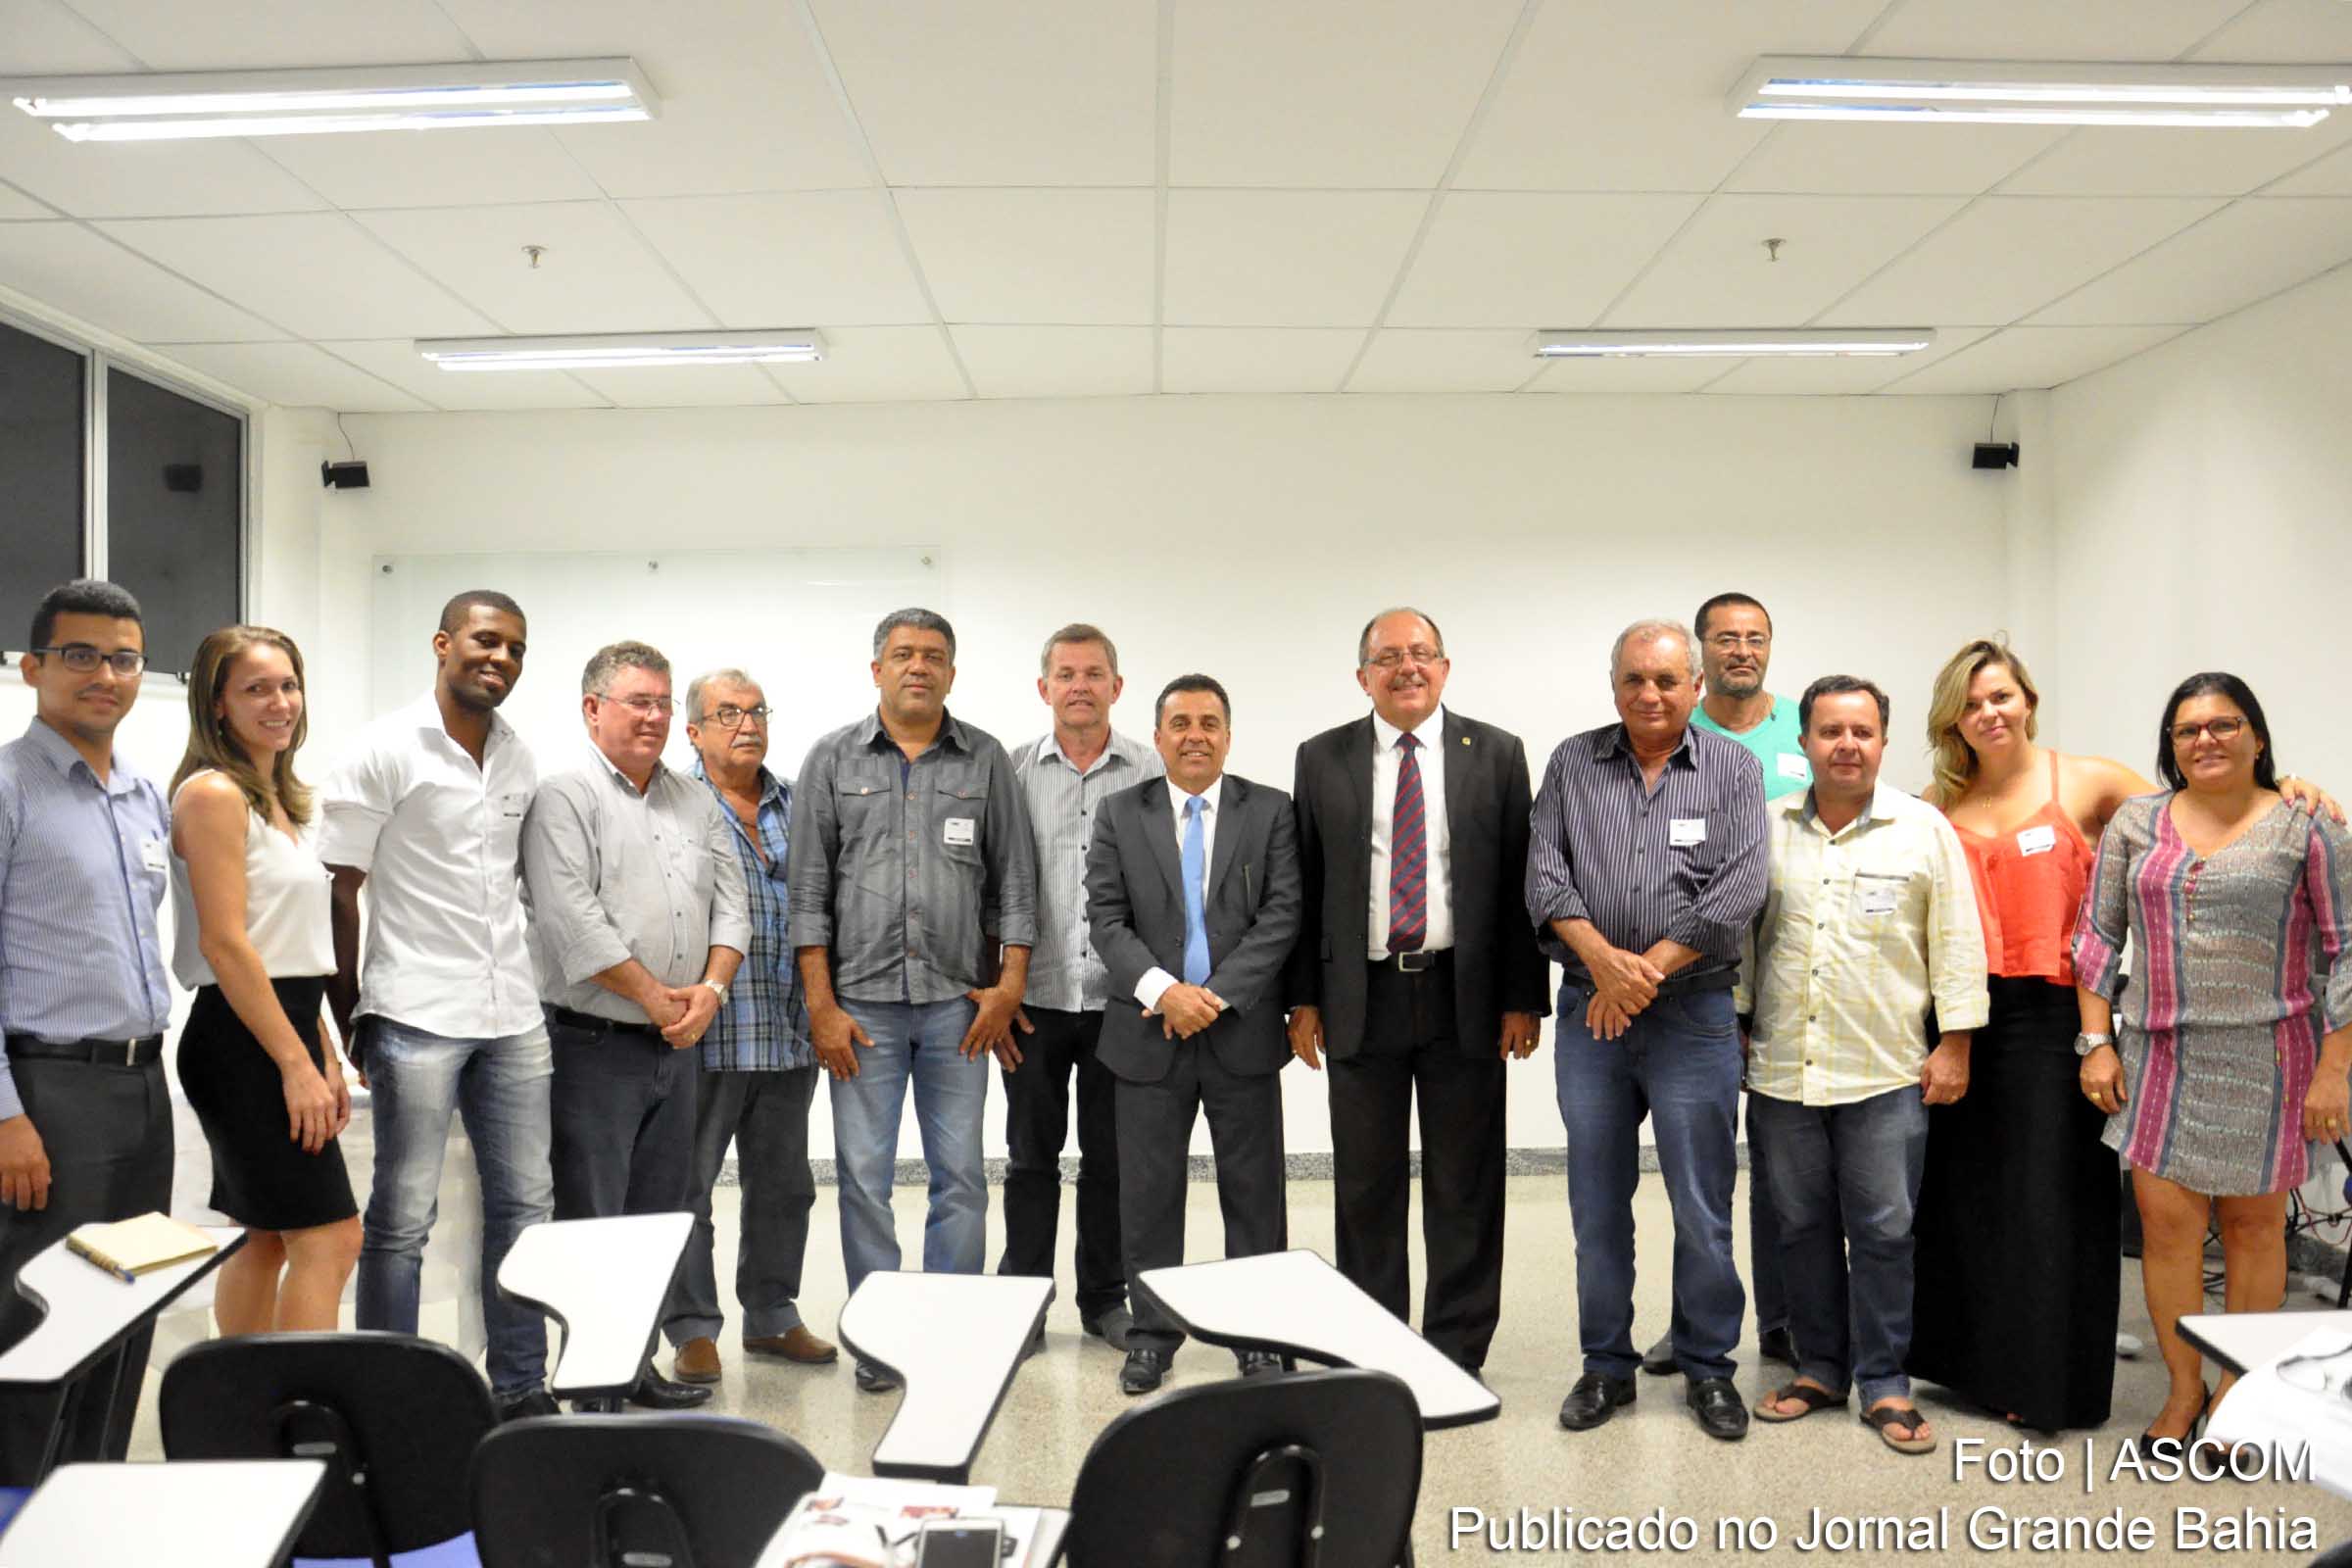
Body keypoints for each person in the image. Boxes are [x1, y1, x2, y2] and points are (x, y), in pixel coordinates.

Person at [1905, 639, 2337, 1434]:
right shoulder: (1938, 796)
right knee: (1967, 1205)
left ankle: (2051, 1381)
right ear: (1952, 720)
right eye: (1970, 704)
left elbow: (2200, 814)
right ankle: (1974, 1368)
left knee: (2050, 1207)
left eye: (2001, 696)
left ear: (2028, 698)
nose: (1988, 713)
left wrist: (2291, 788)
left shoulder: (2091, 780)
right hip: (1965, 1018)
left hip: (2057, 1018)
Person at [2076, 672, 2352, 1453]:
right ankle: (2181, 1392)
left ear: (2257, 736)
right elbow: (2097, 938)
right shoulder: (2139, 822)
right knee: (2166, 1231)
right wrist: (2095, 1042)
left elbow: (2348, 947)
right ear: (2170, 746)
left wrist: (2335, 1071)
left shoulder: (2307, 826)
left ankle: (2237, 1392)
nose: (2206, 739)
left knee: (2255, 1229)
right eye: (2188, 729)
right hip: (2158, 1053)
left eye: (2225, 724)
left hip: (2272, 1058)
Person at [1286, 608, 1545, 1376]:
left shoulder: (1496, 753)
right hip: (1359, 996)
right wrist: (1301, 999)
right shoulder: (1321, 756)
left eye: (1422, 653)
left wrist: (1522, 997)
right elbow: (1306, 883)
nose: (1407, 668)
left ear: (1445, 666)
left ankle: (1457, 1348)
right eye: (1389, 656)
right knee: (1365, 1185)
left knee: (1465, 1181)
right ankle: (1373, 1343)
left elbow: (1516, 883)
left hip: (1461, 992)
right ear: (1362, 674)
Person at [1526, 618, 1766, 1443]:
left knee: (1703, 1201)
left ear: (1696, 687)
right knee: (1597, 1200)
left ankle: (1708, 1368)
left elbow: (1738, 888)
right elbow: (1544, 874)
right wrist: (1603, 965)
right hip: (1591, 1015)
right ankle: (1605, 1366)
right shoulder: (1571, 762)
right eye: (1635, 679)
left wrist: (1639, 977)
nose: (1651, 694)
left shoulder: (1732, 768)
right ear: (1614, 686)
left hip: (1693, 1014)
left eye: (1667, 680)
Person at [323, 590, 558, 1422]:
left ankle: (521, 1386)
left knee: (526, 1208)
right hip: (416, 1011)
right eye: (486, 641)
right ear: (443, 643)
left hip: (513, 1018)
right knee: (402, 1217)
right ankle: (392, 1397)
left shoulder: (520, 755)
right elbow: (339, 890)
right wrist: (352, 1011)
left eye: (516, 649)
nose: (500, 659)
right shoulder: (385, 747)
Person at [787, 609, 1035, 1395]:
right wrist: (821, 1006)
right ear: (877, 670)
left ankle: (951, 1330)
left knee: (959, 1172)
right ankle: (881, 1336)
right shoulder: (831, 759)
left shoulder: (986, 759)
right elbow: (808, 895)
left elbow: (1016, 888)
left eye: (933, 656)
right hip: (861, 1010)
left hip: (958, 1007)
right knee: (862, 1175)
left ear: (952, 674)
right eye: (903, 655)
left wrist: (1008, 989)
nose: (917, 667)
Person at [1740, 676, 1987, 1457]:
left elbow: (1957, 941)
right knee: (1801, 1225)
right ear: (1804, 742)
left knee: (1884, 1229)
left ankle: (1884, 1380)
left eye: (1862, 731)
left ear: (1883, 741)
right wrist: (1736, 1026)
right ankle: (1820, 1367)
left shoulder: (1923, 829)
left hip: (1885, 1068)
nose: (1846, 744)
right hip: (1785, 1068)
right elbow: (1742, 937)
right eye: (1829, 731)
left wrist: (1956, 1043)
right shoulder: (1765, 827)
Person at [521, 640, 747, 1410]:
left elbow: (732, 902)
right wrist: (657, 998)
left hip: (679, 1045)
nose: (654, 716)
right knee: (595, 1223)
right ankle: (592, 1384)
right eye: (637, 702)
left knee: (659, 1220)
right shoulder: (565, 797)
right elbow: (569, 921)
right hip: (594, 1048)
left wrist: (710, 990)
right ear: (593, 709)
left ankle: (635, 1368)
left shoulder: (693, 799)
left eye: (662, 701)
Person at [0, 581, 173, 1482]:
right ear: (32, 668)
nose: (103, 674)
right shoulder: (8, 786)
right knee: (41, 1315)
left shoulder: (143, 795)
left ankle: (90, 1501)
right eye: (80, 656)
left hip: (144, 1088)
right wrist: (4, 1118)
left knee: (125, 1301)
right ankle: (17, 1515)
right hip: (47, 1094)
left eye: (123, 658)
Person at [1087, 674, 1302, 1395]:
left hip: (1238, 1031)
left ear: (1228, 735)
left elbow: (1281, 914)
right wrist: (1165, 992)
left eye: (1210, 722)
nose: (1195, 735)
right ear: (1157, 736)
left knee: (1255, 1194)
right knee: (1148, 1197)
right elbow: (1107, 921)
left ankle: (1259, 1337)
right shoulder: (1120, 813)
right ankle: (1152, 1335)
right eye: (1180, 723)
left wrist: (1212, 997)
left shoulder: (1269, 810)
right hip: (1148, 1034)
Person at [169, 626, 359, 1335]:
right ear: (216, 705)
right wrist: (294, 1065)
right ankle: (300, 1410)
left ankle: (241, 1405)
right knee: (331, 1238)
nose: (279, 702)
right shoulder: (213, 794)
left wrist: (325, 1056)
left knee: (267, 1236)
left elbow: (292, 951)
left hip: (283, 1024)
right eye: (256, 689)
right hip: (242, 1040)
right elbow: (226, 945)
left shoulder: (277, 800)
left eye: (288, 684)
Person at [1639, 591, 1808, 1378]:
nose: (1742, 650)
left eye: (1756, 638)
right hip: (1699, 978)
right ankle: (1692, 1325)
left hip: (1793, 973)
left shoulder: (1805, 731)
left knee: (1783, 1163)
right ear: (1698, 658)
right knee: (1698, 1170)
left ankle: (1785, 1321)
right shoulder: (1674, 728)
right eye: (1725, 639)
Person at [662, 669, 837, 1384]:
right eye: (727, 713)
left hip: (790, 1028)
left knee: (785, 1187)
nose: (747, 723)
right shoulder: (672, 804)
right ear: (694, 731)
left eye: (756, 710)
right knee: (690, 1188)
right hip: (705, 1033)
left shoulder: (798, 803)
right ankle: (693, 1329)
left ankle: (771, 1315)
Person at [1002, 624, 1160, 1352]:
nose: (1079, 686)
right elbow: (987, 887)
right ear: (1044, 689)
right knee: (1031, 1159)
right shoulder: (1010, 772)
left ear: (1116, 688)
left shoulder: (1152, 770)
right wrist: (994, 991)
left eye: (1094, 673)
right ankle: (1025, 1302)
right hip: (1032, 999)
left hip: (1119, 1003)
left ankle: (1104, 1299)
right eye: (1065, 674)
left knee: (1111, 1162)